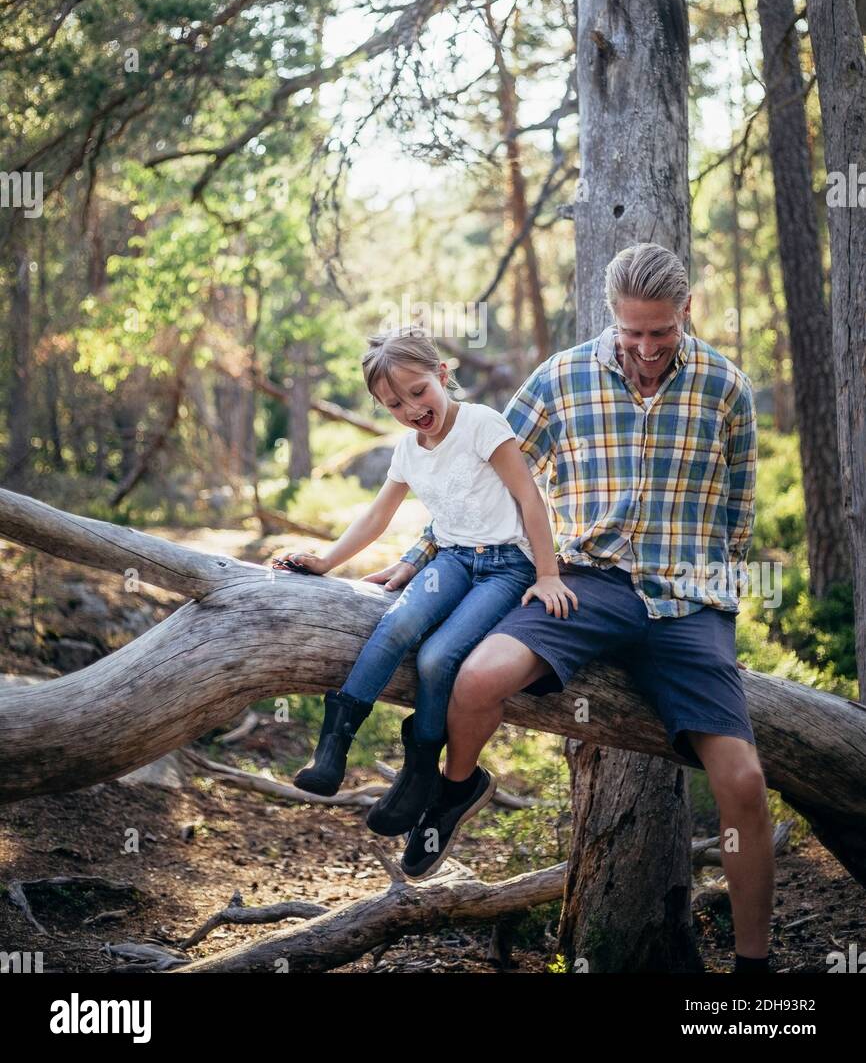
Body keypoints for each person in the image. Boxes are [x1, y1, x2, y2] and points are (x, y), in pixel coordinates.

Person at [372, 244, 775, 974]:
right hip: (584, 584)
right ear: (611, 317)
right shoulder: (561, 378)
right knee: (476, 677)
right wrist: (424, 552)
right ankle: (459, 787)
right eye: (632, 332)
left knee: (743, 781)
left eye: (662, 332)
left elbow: (739, 510)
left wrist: (715, 592)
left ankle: (752, 974)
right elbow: (481, 468)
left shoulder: (725, 385)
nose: (647, 349)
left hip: (688, 601)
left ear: (684, 313)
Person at [270, 325, 573, 836]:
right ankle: (333, 746)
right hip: (452, 560)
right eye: (393, 404)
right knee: (397, 623)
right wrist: (326, 561)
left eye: (418, 392)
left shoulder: (481, 424)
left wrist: (547, 574)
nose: (411, 409)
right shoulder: (409, 450)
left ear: (442, 374)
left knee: (438, 657)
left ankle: (419, 773)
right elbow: (375, 517)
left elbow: (529, 499)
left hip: (506, 567)